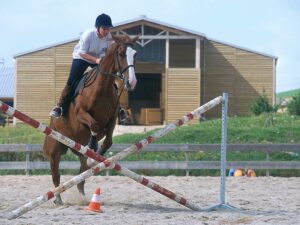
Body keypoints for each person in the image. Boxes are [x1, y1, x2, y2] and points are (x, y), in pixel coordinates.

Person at [50, 13, 113, 118]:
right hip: (81, 58)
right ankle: (59, 107)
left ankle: (118, 108)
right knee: (72, 81)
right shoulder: (88, 35)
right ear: (98, 28)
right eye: (104, 28)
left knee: (108, 78)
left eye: (108, 29)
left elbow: (109, 51)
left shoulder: (108, 36)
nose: (106, 31)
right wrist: (97, 60)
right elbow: (82, 53)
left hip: (97, 59)